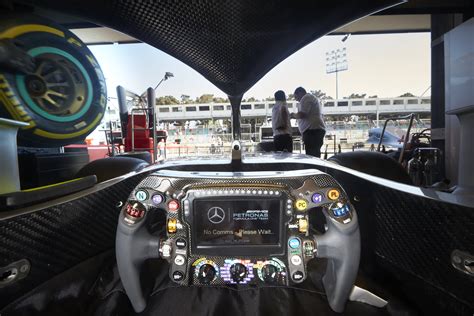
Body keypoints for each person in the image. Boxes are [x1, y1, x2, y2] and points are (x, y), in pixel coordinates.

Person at [290, 87, 326, 157]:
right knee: (313, 154)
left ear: (300, 93)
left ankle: (314, 167)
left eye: (296, 96)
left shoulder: (306, 98)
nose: (296, 99)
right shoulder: (309, 98)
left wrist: (292, 115)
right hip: (313, 131)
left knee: (312, 156)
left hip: (312, 131)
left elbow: (302, 114)